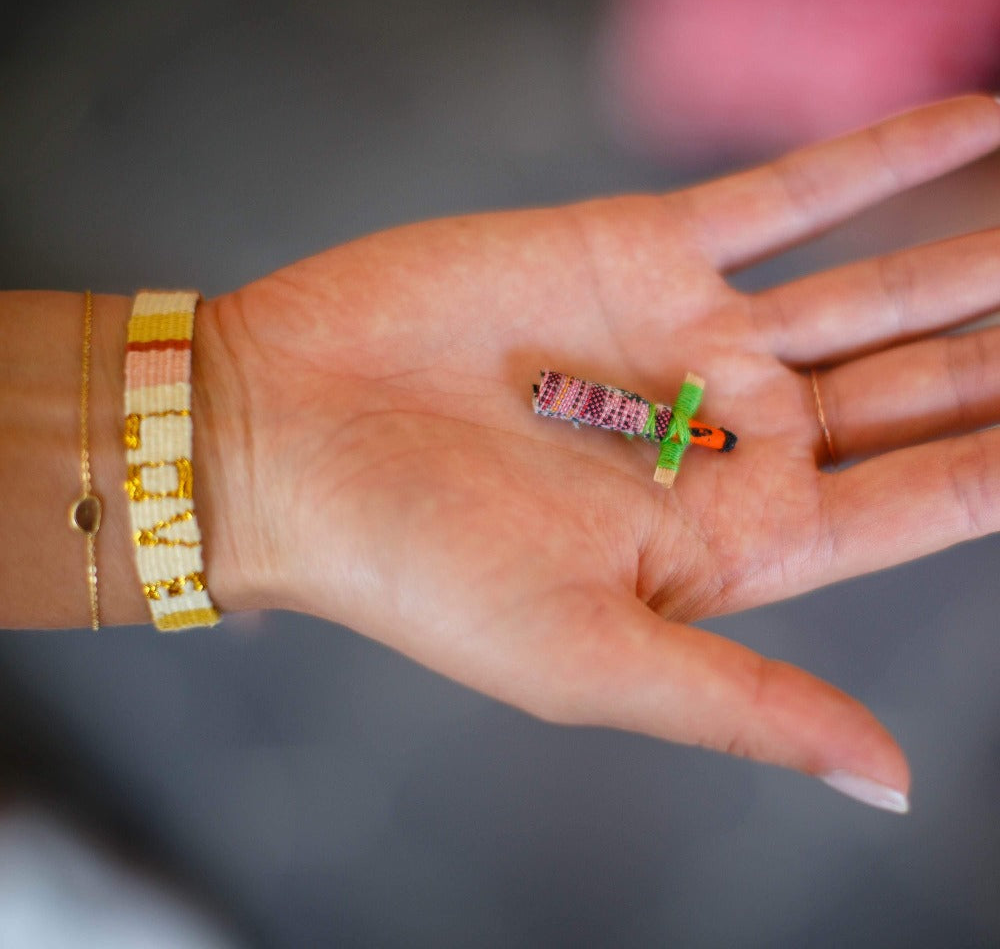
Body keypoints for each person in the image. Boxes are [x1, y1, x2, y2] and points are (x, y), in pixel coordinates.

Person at [3, 95, 999, 813]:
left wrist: (235, 420)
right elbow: (634, 418)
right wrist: (240, 428)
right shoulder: (647, 419)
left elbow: (673, 427)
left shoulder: (678, 425)